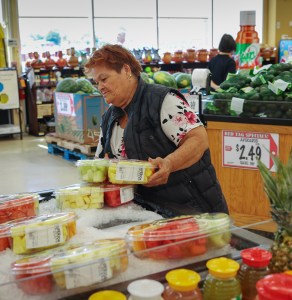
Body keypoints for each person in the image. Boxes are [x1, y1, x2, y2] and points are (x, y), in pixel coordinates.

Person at [85, 44, 229, 217]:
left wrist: (169, 163)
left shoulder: (162, 101)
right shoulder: (110, 117)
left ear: (126, 70)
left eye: (104, 79)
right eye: (96, 82)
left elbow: (198, 140)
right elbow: (101, 162)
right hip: (150, 213)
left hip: (193, 209)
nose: (100, 86)